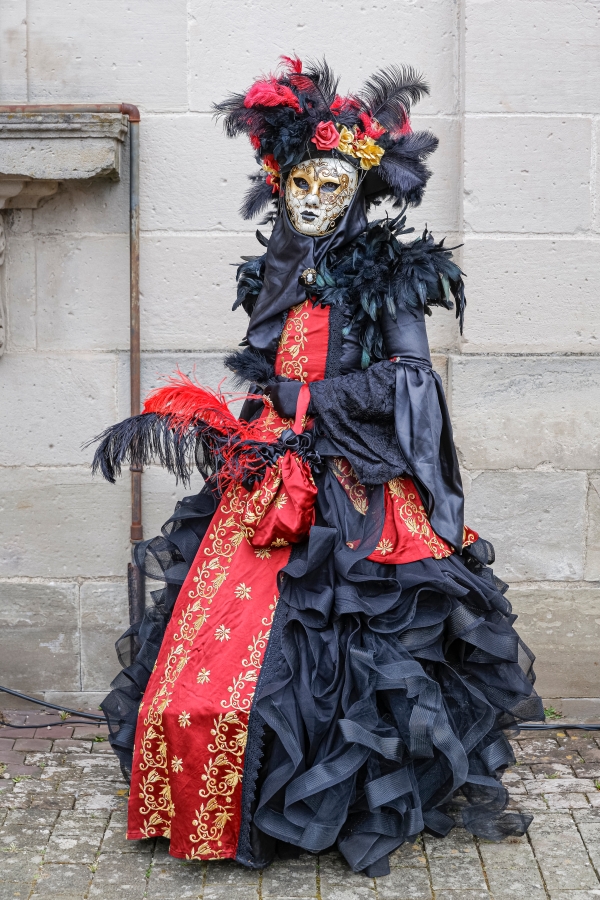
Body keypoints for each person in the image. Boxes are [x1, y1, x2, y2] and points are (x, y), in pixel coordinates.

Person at [92, 57, 543, 877]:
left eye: (333, 186)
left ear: (359, 190)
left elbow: (410, 381)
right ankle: (220, 800)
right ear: (279, 182)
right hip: (268, 474)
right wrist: (255, 418)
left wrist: (309, 401)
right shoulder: (271, 273)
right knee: (215, 650)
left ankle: (334, 809)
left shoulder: (390, 275)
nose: (313, 199)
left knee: (346, 645)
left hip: (352, 483)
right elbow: (265, 365)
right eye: (301, 181)